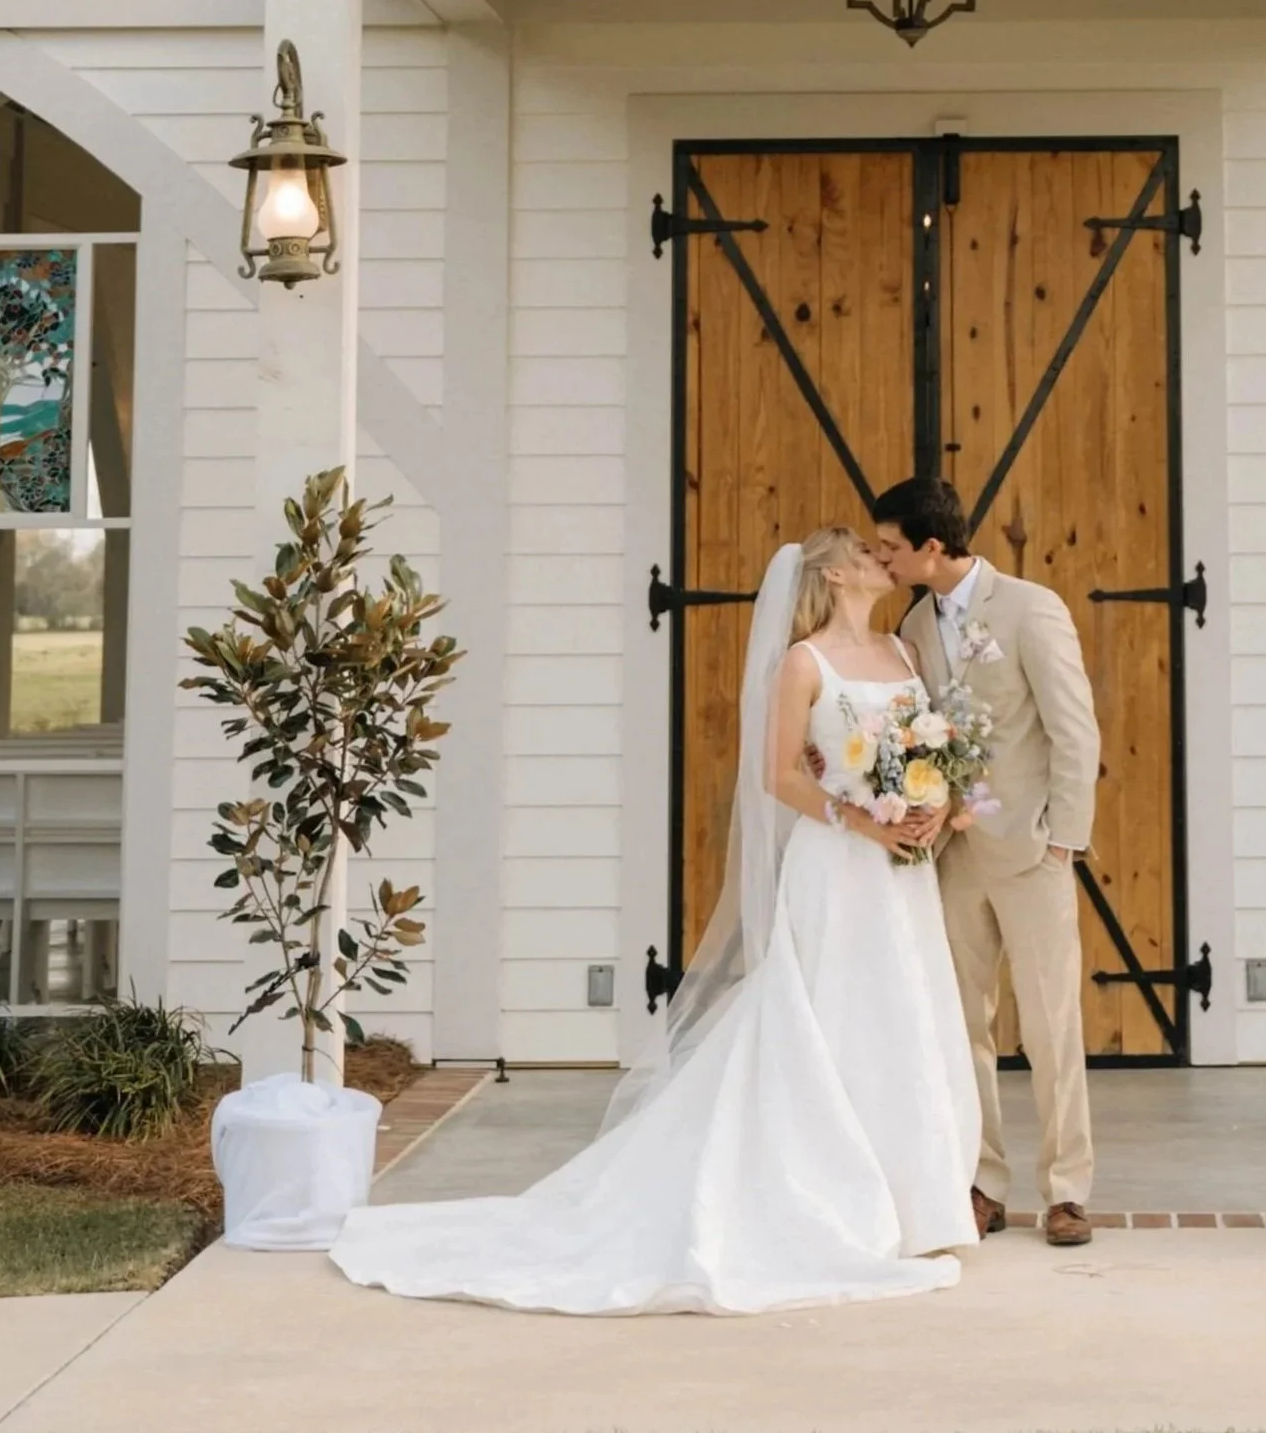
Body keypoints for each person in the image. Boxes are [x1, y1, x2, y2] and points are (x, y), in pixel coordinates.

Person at [329, 529, 979, 1314]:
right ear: (839, 573)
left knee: (902, 1016)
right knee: (830, 1015)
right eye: (870, 554)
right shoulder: (805, 664)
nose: (886, 561)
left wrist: (930, 808)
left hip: (899, 874)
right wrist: (862, 819)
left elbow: (932, 751)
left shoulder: (904, 657)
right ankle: (830, 1199)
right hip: (838, 863)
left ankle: (912, 1205)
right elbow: (778, 775)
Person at [872, 476, 1101, 1249]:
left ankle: (1067, 1189)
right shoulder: (913, 624)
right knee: (962, 1023)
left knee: (1049, 1023)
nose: (884, 559)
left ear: (932, 548)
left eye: (892, 548)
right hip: (952, 850)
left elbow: (1075, 729)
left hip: (1030, 849)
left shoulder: (1032, 608)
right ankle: (983, 1182)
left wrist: (1064, 837)